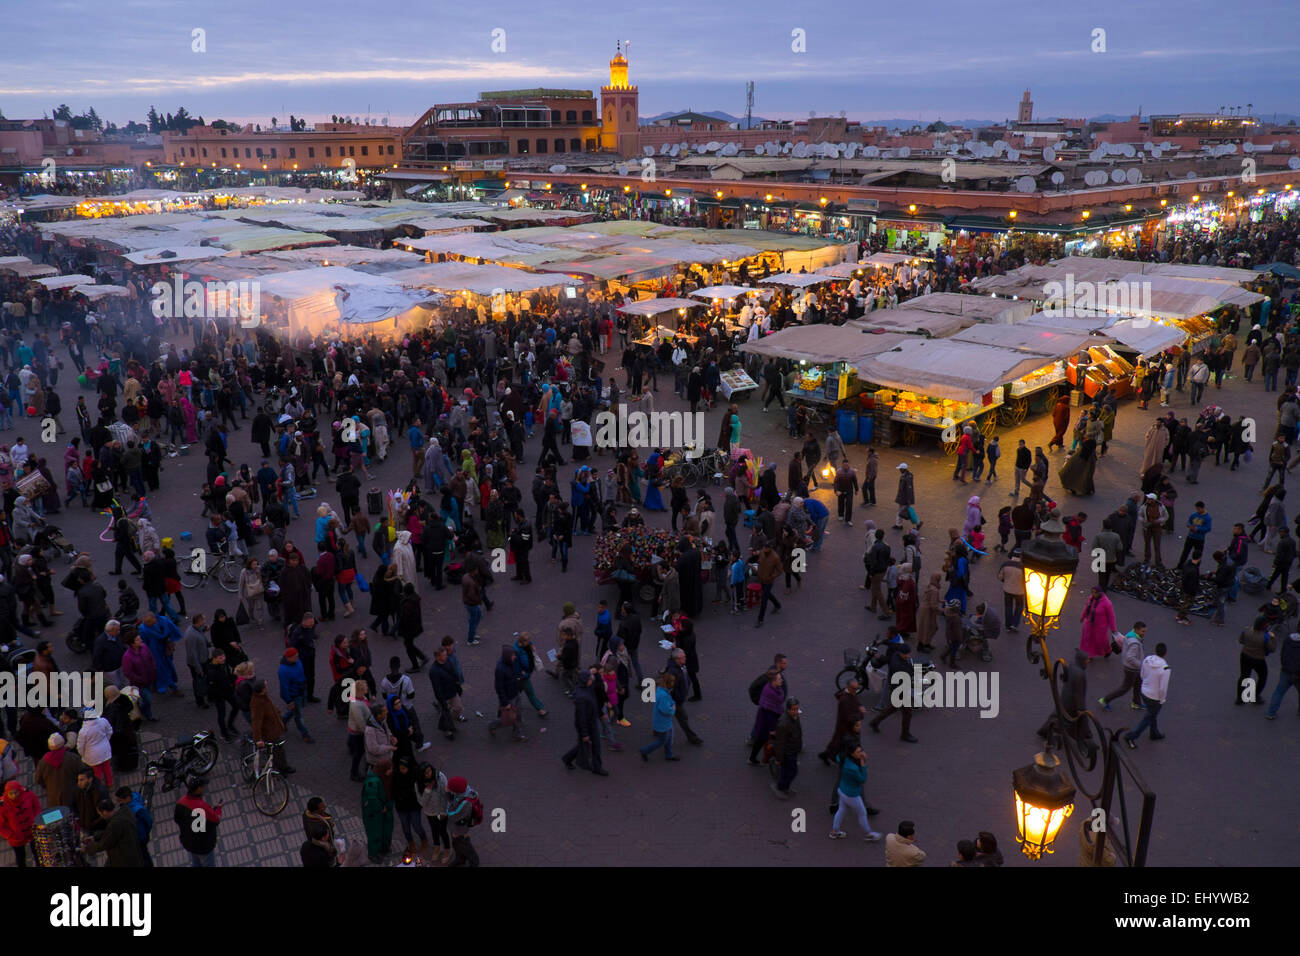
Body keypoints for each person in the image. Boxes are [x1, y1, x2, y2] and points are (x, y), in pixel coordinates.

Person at [828, 744, 882, 842]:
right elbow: (862, 779)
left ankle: (834, 831)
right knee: (862, 813)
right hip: (851, 794)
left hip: (842, 789)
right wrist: (863, 764)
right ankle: (868, 834)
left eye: (861, 750)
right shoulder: (852, 768)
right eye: (858, 752)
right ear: (852, 754)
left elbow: (837, 757)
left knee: (842, 810)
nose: (861, 753)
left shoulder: (842, 758)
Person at [561, 667, 608, 775]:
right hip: (588, 725)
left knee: (584, 745)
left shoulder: (587, 688)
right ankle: (597, 767)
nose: (592, 681)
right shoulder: (581, 697)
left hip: (591, 722)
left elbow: (594, 701)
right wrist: (584, 733)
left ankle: (567, 758)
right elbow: (581, 717)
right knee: (594, 745)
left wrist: (599, 713)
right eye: (590, 679)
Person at [1124, 643, 1170, 750]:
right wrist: (1162, 700)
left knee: (1152, 714)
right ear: (1165, 654)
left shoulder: (1147, 659)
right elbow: (1163, 688)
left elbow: (1142, 674)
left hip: (1144, 691)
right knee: (1148, 718)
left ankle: (1154, 732)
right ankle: (1131, 736)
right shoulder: (1165, 668)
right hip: (1154, 697)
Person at [174, 777, 223, 867]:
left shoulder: (181, 803)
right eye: (202, 786)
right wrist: (218, 809)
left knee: (196, 863)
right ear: (198, 789)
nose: (204, 787)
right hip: (204, 847)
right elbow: (216, 819)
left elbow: (177, 819)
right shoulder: (202, 807)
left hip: (189, 843)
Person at [1099, 622, 1147, 711]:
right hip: (1132, 669)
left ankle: (1136, 703)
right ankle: (1105, 700)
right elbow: (1130, 657)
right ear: (1136, 630)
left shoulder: (1130, 635)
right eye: (1142, 631)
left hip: (1133, 668)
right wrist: (1141, 664)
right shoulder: (1135, 643)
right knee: (1125, 688)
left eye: (1145, 631)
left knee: (1138, 684)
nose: (1144, 633)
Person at [360, 758, 394, 864]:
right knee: (375, 833)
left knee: (386, 829)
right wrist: (381, 808)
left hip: (384, 811)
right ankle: (373, 854)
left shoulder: (384, 777)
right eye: (390, 768)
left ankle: (384, 848)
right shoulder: (372, 781)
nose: (392, 770)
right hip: (374, 814)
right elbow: (372, 798)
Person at [639, 673, 678, 761]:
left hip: (664, 722)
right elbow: (665, 710)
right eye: (672, 682)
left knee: (668, 738)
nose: (674, 683)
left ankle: (669, 754)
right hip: (663, 723)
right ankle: (645, 750)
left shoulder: (661, 690)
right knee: (662, 741)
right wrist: (673, 709)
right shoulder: (663, 695)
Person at [769, 697, 802, 799]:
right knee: (792, 771)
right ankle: (781, 787)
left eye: (797, 709)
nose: (796, 711)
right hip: (788, 752)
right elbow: (780, 742)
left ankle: (784, 787)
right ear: (788, 709)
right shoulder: (784, 723)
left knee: (787, 770)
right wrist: (779, 758)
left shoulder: (795, 717)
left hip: (793, 749)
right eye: (793, 709)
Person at [1237, 618, 1275, 705]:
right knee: (1262, 677)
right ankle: (1255, 696)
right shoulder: (1265, 636)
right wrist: (1273, 638)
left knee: (1244, 676)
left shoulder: (1247, 631)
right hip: (1258, 658)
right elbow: (1272, 649)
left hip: (1245, 655)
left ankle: (1239, 698)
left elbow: (1240, 640)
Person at [1265, 631, 1300, 719]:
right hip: (1298, 674)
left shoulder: (1288, 639)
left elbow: (1283, 653)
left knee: (1279, 692)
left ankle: (1271, 712)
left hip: (1286, 670)